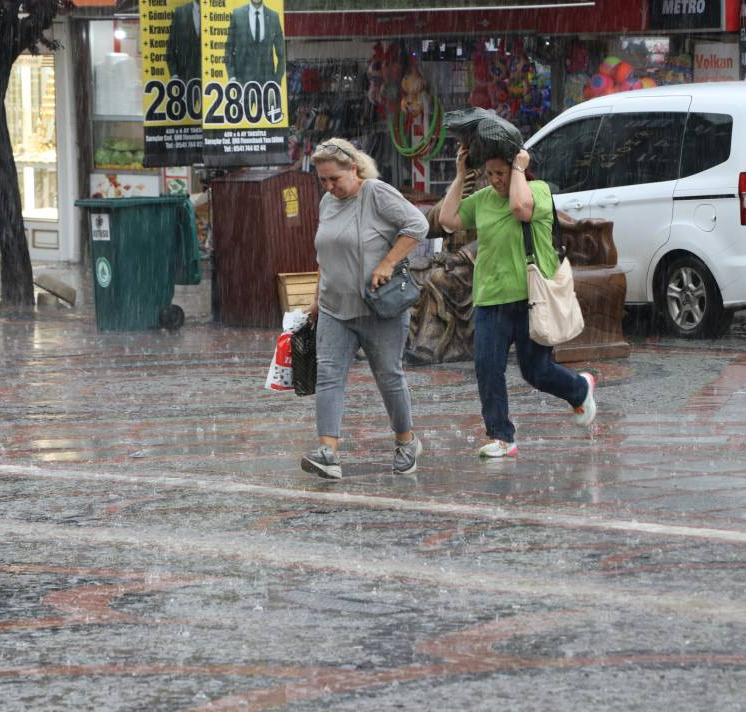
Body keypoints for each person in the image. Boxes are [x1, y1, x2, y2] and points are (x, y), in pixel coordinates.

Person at [438, 146, 596, 458]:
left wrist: (520, 171)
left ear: (516, 168)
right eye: (490, 174)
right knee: (487, 368)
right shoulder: (482, 200)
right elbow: (447, 219)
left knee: (535, 371)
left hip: (530, 298)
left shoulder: (536, 190)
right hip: (490, 297)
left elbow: (521, 209)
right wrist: (460, 176)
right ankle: (501, 437)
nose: (494, 180)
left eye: (501, 173)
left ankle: (579, 388)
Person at [302, 138, 429, 480]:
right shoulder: (327, 203)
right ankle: (328, 452)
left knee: (388, 376)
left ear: (353, 169)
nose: (329, 187)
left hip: (379, 307)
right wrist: (316, 299)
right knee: (329, 377)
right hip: (333, 307)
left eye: (334, 179)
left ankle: (405, 441)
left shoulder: (375, 193)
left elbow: (418, 226)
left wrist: (388, 262)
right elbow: (325, 257)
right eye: (323, 181)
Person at [224, 0, 285, 86]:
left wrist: (276, 83)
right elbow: (228, 48)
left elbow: (282, 55)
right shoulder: (237, 15)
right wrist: (232, 77)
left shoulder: (273, 17)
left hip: (267, 85)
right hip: (242, 84)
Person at [166, 0, 201, 84]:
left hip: (209, 82)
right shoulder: (180, 12)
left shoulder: (215, 12)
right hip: (184, 78)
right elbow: (171, 46)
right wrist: (174, 74)